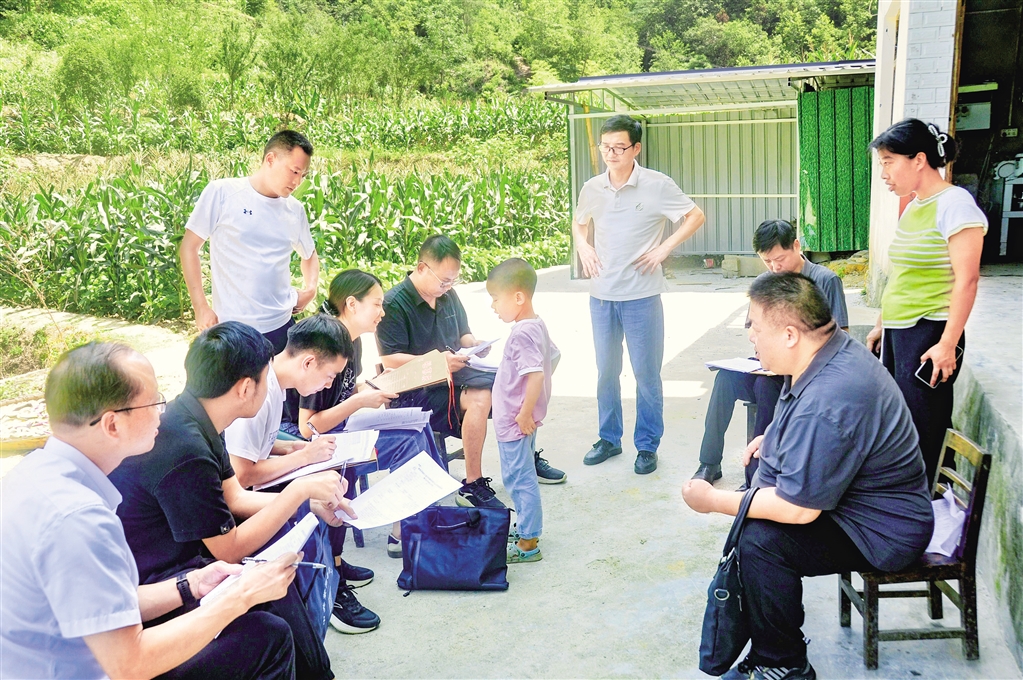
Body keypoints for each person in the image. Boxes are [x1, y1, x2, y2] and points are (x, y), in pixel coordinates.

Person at [682, 274, 933, 680]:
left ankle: (783, 663)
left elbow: (799, 510)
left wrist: (712, 501)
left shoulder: (831, 395)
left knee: (761, 542)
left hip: (884, 529)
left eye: (755, 327)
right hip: (857, 502)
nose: (751, 337)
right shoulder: (826, 353)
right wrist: (774, 437)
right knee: (758, 513)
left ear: (789, 335)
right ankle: (772, 641)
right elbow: (809, 422)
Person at [0, 342, 298, 680]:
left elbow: (108, 605)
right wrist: (242, 596)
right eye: (154, 402)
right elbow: (131, 664)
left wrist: (191, 584)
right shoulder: (79, 518)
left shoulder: (31, 474)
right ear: (112, 425)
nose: (161, 412)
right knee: (267, 637)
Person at [110, 322, 352, 680]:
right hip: (159, 582)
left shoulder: (197, 417)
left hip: (185, 557)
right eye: (266, 377)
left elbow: (235, 497)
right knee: (270, 621)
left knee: (278, 563)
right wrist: (298, 491)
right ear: (245, 388)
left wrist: (309, 505)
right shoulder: (186, 447)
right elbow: (229, 548)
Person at [377, 235, 567, 508]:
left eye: (452, 281)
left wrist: (474, 344)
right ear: (421, 268)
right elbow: (390, 360)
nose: (447, 287)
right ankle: (472, 484)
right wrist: (439, 363)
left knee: (520, 382)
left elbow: (463, 334)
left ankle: (525, 457)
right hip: (417, 389)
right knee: (481, 397)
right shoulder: (394, 303)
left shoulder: (446, 295)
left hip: (457, 375)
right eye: (444, 281)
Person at [224, 313, 381, 634]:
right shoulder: (260, 392)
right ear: (308, 362)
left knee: (332, 475)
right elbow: (242, 475)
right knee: (320, 495)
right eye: (330, 375)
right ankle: (327, 592)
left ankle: (334, 569)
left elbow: (259, 445)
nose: (329, 384)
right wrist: (304, 457)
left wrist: (290, 448)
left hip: (254, 482)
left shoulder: (275, 383)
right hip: (238, 503)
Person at [282, 269, 451, 561]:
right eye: (377, 304)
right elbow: (308, 427)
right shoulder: (325, 344)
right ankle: (405, 532)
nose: (382, 313)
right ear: (351, 304)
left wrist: (374, 387)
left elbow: (345, 391)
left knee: (418, 427)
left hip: (341, 428)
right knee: (407, 442)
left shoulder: (353, 341)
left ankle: (422, 519)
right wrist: (360, 401)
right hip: (307, 440)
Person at [574, 114, 706, 475]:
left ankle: (647, 446)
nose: (611, 154)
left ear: (636, 148)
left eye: (619, 147)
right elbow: (580, 222)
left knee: (646, 375)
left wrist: (664, 249)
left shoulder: (657, 185)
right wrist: (583, 246)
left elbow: (695, 216)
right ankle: (609, 439)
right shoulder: (592, 187)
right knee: (606, 372)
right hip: (602, 295)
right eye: (605, 147)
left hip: (642, 296)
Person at [865, 119, 987, 485]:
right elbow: (901, 273)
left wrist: (948, 343)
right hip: (900, 332)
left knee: (926, 426)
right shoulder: (914, 206)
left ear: (919, 160)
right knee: (903, 422)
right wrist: (882, 324)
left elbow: (967, 279)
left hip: (930, 333)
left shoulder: (955, 205)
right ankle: (912, 498)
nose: (884, 173)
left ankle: (930, 503)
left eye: (889, 162)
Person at [692, 219, 849, 485]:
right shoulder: (764, 283)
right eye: (767, 261)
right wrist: (762, 350)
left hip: (806, 376)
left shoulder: (825, 280)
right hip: (768, 366)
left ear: (796, 246)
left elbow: (840, 337)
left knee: (766, 387)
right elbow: (753, 330)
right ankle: (709, 463)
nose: (775, 268)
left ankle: (756, 477)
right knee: (725, 379)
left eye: (780, 259)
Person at [180, 129, 320, 353]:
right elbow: (189, 248)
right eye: (294, 171)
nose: (297, 181)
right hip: (234, 329)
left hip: (282, 326)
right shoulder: (222, 193)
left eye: (303, 175)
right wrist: (200, 307)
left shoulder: (294, 209)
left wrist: (311, 289)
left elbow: (309, 254)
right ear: (270, 159)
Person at [486, 258, 558, 564]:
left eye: (495, 299)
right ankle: (527, 527)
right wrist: (534, 402)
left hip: (516, 421)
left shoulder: (521, 334)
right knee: (521, 475)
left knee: (519, 479)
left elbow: (536, 374)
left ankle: (528, 541)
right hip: (521, 419)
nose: (493, 306)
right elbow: (553, 357)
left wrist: (525, 411)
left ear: (518, 297)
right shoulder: (536, 324)